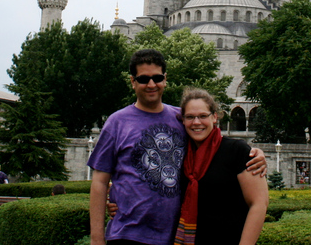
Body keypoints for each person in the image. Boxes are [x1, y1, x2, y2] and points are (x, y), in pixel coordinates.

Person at [88, 49, 266, 245]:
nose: (151, 84)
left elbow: (211, 146)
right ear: (133, 81)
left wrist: (254, 153)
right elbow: (99, 181)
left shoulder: (179, 119)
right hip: (127, 234)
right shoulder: (117, 122)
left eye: (157, 78)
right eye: (143, 79)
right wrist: (97, 238)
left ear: (165, 79)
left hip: (172, 236)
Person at [174, 88, 268, 245]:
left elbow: (259, 204)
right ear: (182, 120)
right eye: (190, 117)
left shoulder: (237, 151)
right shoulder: (180, 155)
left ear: (215, 117)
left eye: (203, 116)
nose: (196, 122)